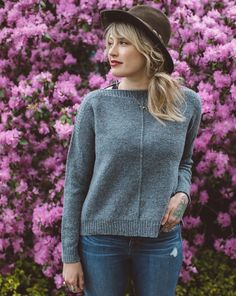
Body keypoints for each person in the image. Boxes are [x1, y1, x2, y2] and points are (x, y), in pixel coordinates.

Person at [61, 4, 202, 296]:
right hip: (100, 241)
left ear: (150, 50)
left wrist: (182, 193)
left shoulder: (187, 104)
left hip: (160, 239)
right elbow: (75, 182)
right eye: (110, 43)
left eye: (123, 43)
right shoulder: (95, 105)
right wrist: (69, 256)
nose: (112, 51)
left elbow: (184, 162)